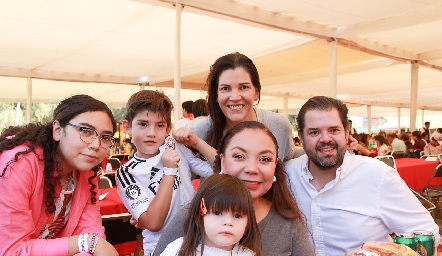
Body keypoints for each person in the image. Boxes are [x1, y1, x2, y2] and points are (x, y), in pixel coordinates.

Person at [284, 96, 439, 256]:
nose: (325, 139)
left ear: (347, 132)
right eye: (314, 132)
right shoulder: (286, 174)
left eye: (334, 130)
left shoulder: (378, 175)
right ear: (301, 138)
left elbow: (426, 234)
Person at [154, 121, 315, 256]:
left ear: (275, 165)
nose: (252, 168)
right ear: (222, 162)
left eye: (265, 159)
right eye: (239, 156)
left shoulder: (287, 222)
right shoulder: (194, 213)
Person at [0, 95, 119, 256]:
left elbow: (91, 229)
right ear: (57, 130)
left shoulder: (87, 173)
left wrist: (86, 248)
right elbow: (11, 251)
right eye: (85, 131)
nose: (96, 145)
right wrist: (85, 242)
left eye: (105, 137)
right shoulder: (17, 165)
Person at [116, 90, 212, 256]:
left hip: (197, 239)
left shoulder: (174, 147)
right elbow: (153, 223)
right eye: (143, 124)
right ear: (128, 127)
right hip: (161, 248)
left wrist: (197, 142)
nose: (151, 133)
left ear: (168, 128)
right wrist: (169, 170)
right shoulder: (127, 173)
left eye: (159, 125)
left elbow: (219, 170)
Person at [187, 52, 304, 166]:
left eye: (244, 87)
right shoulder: (200, 131)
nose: (235, 97)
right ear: (216, 95)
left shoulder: (279, 125)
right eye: (225, 88)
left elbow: (291, 160)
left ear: (256, 93)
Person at [160, 174, 261, 256]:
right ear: (198, 218)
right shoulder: (178, 249)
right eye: (217, 213)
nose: (228, 222)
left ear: (247, 224)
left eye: (237, 216)